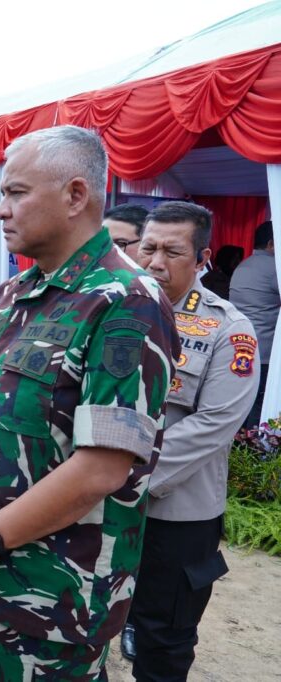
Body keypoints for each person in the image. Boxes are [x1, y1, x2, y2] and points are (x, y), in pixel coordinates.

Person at [0, 126, 177, 681]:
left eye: (16, 193)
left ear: (75, 195)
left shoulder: (126, 301)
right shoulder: (15, 293)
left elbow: (102, 468)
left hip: (54, 593)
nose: (0, 211)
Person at [127, 201, 258, 680]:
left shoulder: (229, 329)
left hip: (176, 514)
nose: (156, 261)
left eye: (172, 251)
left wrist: (121, 474)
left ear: (202, 258)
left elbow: (214, 424)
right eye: (149, 248)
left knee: (164, 639)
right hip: (101, 501)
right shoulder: (116, 308)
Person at [230, 221, 278, 428]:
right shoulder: (275, 268)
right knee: (259, 400)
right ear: (272, 243)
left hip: (238, 343)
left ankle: (238, 447)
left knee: (241, 399)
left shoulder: (244, 265)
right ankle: (252, 450)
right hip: (265, 350)